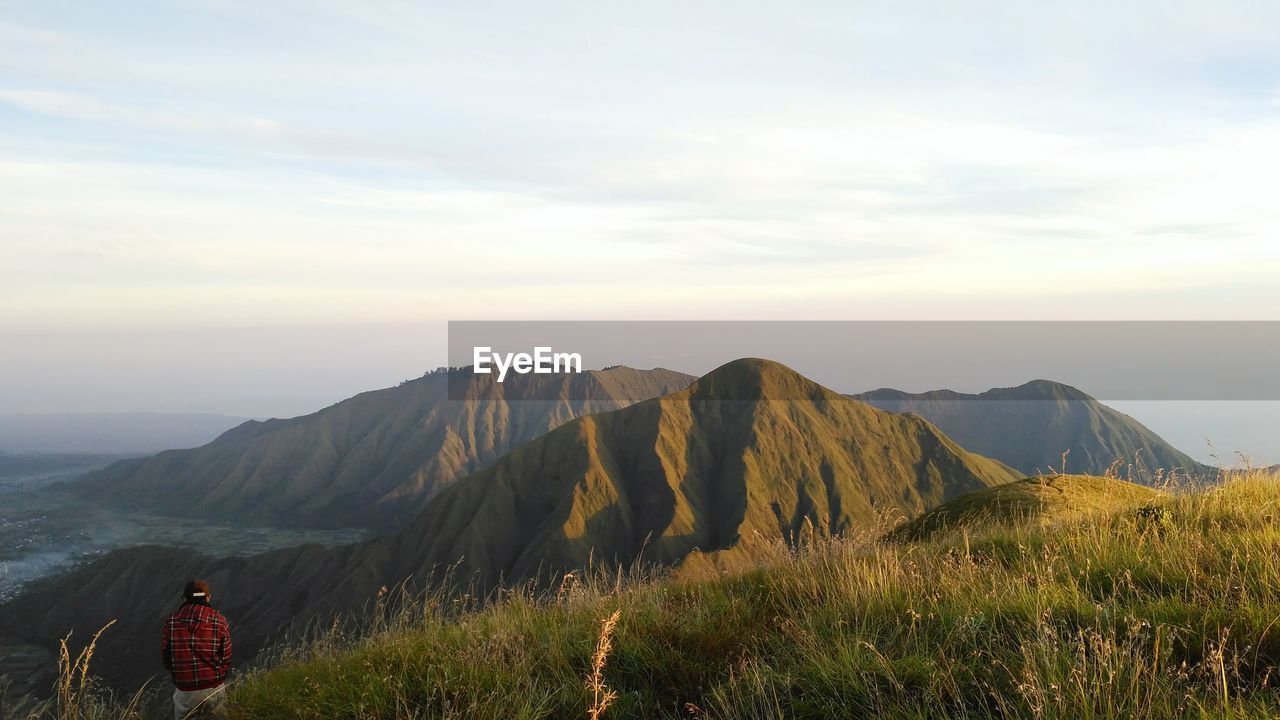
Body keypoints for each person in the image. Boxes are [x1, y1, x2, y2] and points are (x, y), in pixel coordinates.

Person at [162, 579, 232, 719]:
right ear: (208, 597)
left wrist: (181, 674)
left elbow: (167, 658)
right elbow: (226, 658)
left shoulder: (172, 622)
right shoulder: (220, 621)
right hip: (213, 688)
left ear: (185, 598)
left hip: (185, 692)